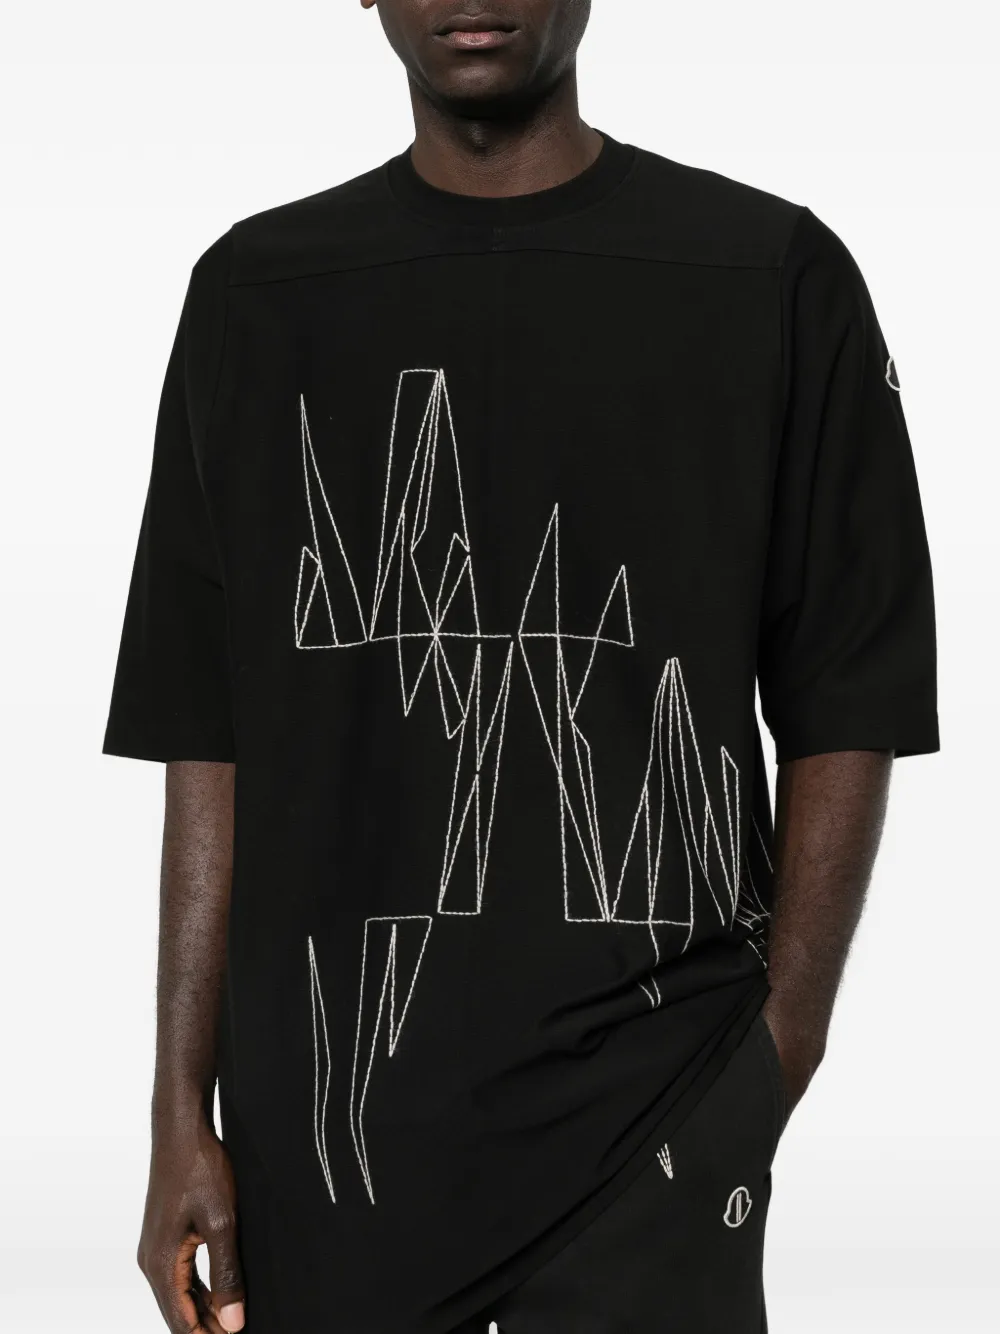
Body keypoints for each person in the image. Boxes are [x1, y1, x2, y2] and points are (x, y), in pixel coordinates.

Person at [103, 2, 938, 1331]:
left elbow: (852, 690)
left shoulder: (764, 272)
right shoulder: (257, 295)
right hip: (327, 1146)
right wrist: (175, 1111)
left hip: (651, 1121)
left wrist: (775, 1056)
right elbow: (205, 726)